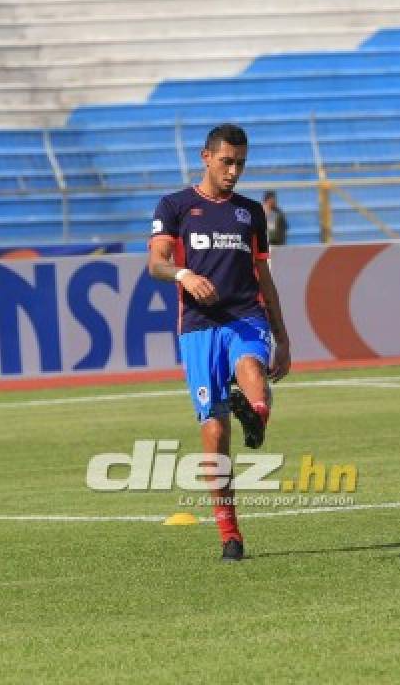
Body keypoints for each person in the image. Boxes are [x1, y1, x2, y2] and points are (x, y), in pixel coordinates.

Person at [147, 123, 292, 562]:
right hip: (197, 325)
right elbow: (156, 262)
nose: (234, 171)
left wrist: (282, 337)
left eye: (241, 164)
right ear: (205, 157)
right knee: (214, 431)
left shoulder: (250, 212)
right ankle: (230, 533)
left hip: (246, 315)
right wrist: (184, 275)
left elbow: (263, 276)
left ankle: (257, 413)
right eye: (227, 161)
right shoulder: (175, 206)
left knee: (251, 364)